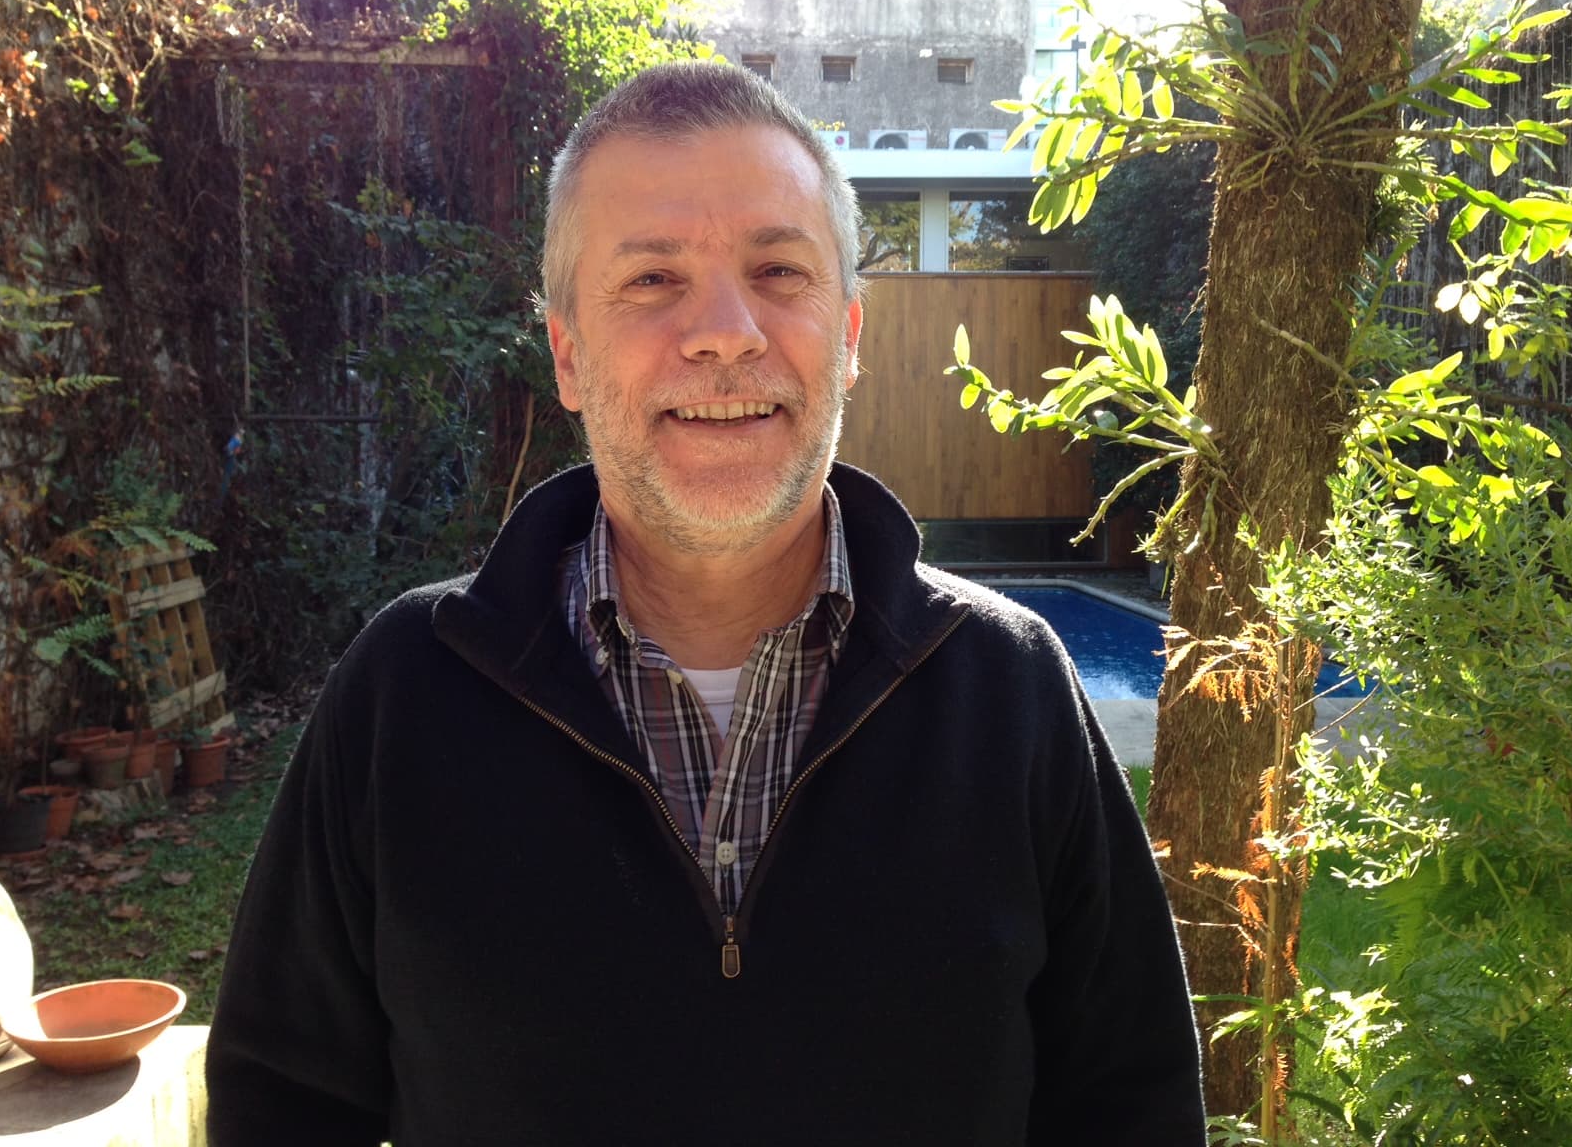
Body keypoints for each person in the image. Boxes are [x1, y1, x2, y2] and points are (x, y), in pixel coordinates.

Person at [205, 61, 1206, 1145]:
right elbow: (285, 1102)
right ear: (569, 354)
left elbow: (1129, 1102)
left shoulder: (1012, 691)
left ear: (852, 338)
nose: (726, 332)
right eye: (650, 280)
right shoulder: (402, 694)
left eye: (780, 269)